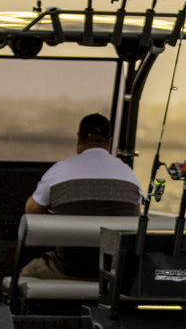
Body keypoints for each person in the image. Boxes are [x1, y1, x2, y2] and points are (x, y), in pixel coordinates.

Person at [20, 112, 142, 279]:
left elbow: (31, 212)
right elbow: (136, 218)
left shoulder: (59, 171)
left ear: (79, 139)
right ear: (109, 141)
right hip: (113, 273)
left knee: (26, 274)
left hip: (69, 270)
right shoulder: (129, 175)